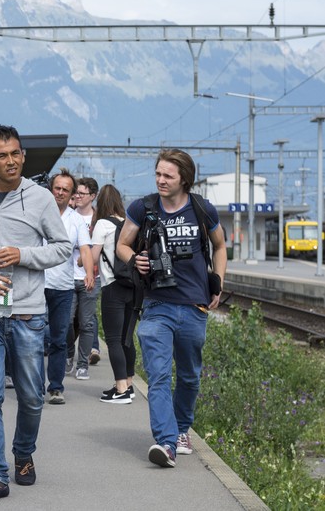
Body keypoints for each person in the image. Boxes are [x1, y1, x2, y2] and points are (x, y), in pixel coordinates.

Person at [0, 124, 71, 502]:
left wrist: (24, 255)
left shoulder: (40, 198)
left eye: (16, 153)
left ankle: (23, 453)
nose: (11, 160)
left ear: (23, 156)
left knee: (32, 397)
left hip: (28, 313)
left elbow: (61, 248)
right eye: (2, 155)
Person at [116, 148, 226, 468]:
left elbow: (220, 246)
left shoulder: (202, 209)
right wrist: (133, 258)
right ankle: (166, 442)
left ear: (184, 180)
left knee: (190, 377)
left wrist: (217, 281)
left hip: (193, 305)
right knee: (159, 374)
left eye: (168, 176)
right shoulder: (144, 207)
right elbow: (123, 245)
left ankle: (180, 429)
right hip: (157, 304)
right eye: (158, 174)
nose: (161, 180)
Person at [44, 168, 92, 405]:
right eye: (57, 188)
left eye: (65, 190)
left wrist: (90, 272)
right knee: (34, 336)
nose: (60, 193)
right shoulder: (39, 213)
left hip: (63, 287)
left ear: (72, 194)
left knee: (59, 339)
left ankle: (55, 387)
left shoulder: (76, 221)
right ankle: (28, 382)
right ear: (51, 189)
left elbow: (85, 248)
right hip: (37, 284)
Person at [89, 185, 136, 404]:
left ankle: (121, 390)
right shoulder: (129, 223)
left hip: (113, 286)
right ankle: (128, 383)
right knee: (127, 338)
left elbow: (93, 255)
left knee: (113, 339)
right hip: (134, 287)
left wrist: (83, 261)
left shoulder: (102, 224)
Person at [66, 177, 100, 380]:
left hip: (91, 278)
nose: (77, 196)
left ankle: (82, 364)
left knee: (87, 324)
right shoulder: (68, 216)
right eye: (76, 193)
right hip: (67, 277)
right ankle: (69, 354)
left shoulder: (98, 220)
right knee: (67, 321)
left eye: (82, 193)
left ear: (92, 196)